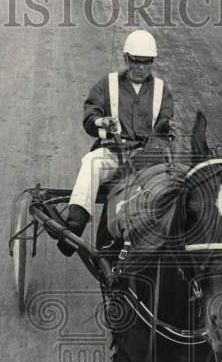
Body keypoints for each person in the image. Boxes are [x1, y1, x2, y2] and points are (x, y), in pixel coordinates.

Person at [46, 29, 174, 255]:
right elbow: (89, 117)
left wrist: (160, 137)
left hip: (147, 160)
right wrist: (101, 122)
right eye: (136, 61)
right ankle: (74, 226)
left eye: (146, 62)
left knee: (169, 189)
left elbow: (165, 127)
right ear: (126, 58)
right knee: (92, 164)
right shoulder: (108, 84)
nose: (141, 68)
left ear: (153, 62)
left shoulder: (162, 91)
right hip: (114, 154)